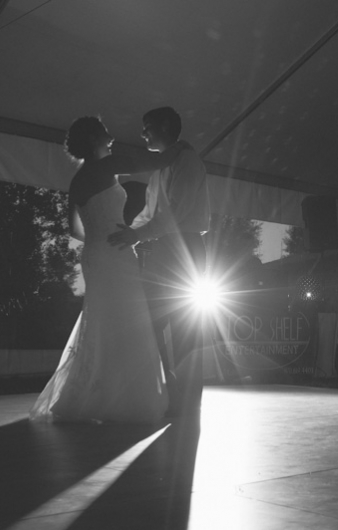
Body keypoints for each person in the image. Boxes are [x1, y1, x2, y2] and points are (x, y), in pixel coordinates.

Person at [30, 116, 183, 423]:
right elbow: (150, 162)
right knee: (128, 321)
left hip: (96, 252)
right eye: (105, 133)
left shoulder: (78, 180)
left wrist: (100, 235)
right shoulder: (106, 166)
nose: (111, 137)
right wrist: (180, 148)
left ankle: (96, 394)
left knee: (104, 320)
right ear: (94, 139)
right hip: (114, 253)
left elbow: (74, 230)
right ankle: (126, 399)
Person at [107, 106, 210, 419]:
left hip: (185, 248)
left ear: (165, 126)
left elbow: (176, 214)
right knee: (152, 323)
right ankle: (170, 391)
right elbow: (151, 213)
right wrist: (129, 231)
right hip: (163, 248)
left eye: (147, 126)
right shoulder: (161, 167)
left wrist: (136, 235)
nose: (142, 134)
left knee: (183, 329)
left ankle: (188, 401)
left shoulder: (187, 161)